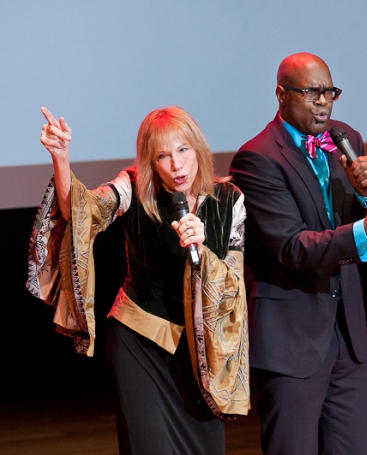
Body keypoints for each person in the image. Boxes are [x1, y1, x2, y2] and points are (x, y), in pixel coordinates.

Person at [26, 106, 249, 455]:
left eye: (182, 151)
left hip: (201, 351)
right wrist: (61, 157)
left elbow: (233, 289)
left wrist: (202, 251)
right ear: (150, 160)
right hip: (140, 338)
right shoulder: (133, 186)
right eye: (163, 155)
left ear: (199, 149)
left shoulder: (230, 200)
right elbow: (83, 212)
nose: (176, 166)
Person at [229, 52, 367, 455]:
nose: (324, 101)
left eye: (329, 91)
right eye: (311, 92)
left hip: (349, 334)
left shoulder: (347, 139)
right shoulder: (258, 159)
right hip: (293, 337)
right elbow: (292, 247)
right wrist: (366, 230)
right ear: (281, 95)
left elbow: (360, 219)